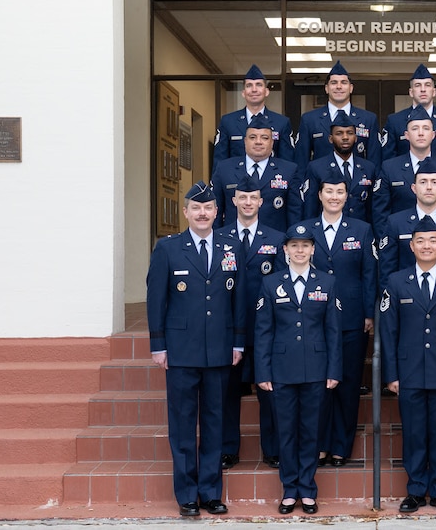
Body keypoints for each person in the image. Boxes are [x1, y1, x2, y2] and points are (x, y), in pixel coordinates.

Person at [146, 181, 245, 517]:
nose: (202, 214)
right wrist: (158, 346)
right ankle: (187, 495)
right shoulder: (168, 249)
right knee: (184, 425)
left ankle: (210, 492)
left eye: (208, 208)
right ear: (186, 212)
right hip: (180, 351)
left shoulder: (231, 248)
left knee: (215, 423)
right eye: (196, 208)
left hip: (219, 350)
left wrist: (237, 341)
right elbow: (156, 301)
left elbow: (239, 300)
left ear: (217, 212)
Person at [379, 216, 436, 514]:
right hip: (409, 373)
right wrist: (391, 374)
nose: (427, 246)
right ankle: (416, 490)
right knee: (414, 433)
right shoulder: (396, 281)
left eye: (433, 240)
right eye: (421, 241)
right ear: (411, 245)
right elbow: (388, 331)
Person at [254, 223, 343, 516]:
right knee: (286, 432)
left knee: (310, 431)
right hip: (281, 371)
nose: (300, 250)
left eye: (305, 245)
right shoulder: (271, 283)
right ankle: (289, 489)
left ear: (313, 249)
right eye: (294, 245)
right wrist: (263, 373)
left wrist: (334, 369)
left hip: (316, 370)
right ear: (285, 250)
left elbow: (333, 331)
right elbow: (263, 332)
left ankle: (307, 488)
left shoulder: (327, 283)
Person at [299, 170, 377, 467]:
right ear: (319, 195)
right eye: (328, 191)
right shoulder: (304, 230)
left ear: (347, 196)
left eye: (340, 192)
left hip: (351, 318)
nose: (334, 197)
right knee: (318, 384)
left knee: (347, 384)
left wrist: (369, 313)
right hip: (314, 319)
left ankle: (341, 446)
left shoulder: (362, 229)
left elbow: (369, 273)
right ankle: (319, 444)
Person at [217, 175, 287, 470]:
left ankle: (272, 448)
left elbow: (282, 283)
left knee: (269, 391)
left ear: (261, 202)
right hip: (228, 326)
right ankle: (227, 448)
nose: (247, 203)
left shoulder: (276, 238)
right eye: (242, 198)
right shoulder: (219, 237)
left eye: (253, 198)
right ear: (233, 201)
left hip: (265, 328)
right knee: (227, 391)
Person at [378, 156, 436, 294]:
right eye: (423, 182)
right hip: (406, 301)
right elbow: (387, 272)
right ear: (413, 188)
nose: (429, 187)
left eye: (434, 182)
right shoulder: (395, 223)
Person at [372, 106, 436, 239]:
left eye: (426, 128)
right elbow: (380, 214)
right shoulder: (390, 168)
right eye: (415, 129)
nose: (421, 133)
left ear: (433, 135)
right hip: (401, 243)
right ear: (406, 135)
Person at [211, 115, 302, 231]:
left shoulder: (288, 170)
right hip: (231, 242)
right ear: (245, 141)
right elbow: (215, 210)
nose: (258, 142)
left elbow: (295, 213)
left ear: (272, 142)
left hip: (274, 243)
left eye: (264, 138)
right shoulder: (224, 168)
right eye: (253, 137)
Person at [294, 61, 381, 168]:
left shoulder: (368, 119)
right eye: (334, 82)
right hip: (321, 182)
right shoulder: (310, 119)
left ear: (351, 88)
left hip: (357, 182)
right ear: (326, 88)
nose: (339, 87)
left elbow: (375, 160)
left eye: (344, 82)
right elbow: (301, 160)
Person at [299, 110, 377, 223]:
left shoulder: (368, 168)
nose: (345, 137)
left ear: (356, 138)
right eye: (339, 133)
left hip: (361, 233)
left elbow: (372, 208)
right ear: (330, 139)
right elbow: (310, 209)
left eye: (349, 133)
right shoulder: (316, 167)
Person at [380, 63, 436, 166]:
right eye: (418, 85)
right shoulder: (395, 121)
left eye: (427, 85)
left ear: (434, 92)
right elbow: (388, 162)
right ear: (411, 92)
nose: (423, 89)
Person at [213, 64, 295, 164]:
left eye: (259, 85)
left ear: (266, 91)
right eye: (249, 85)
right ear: (243, 93)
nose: (254, 90)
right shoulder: (228, 122)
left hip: (270, 178)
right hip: (236, 179)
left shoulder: (281, 122)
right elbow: (219, 160)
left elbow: (287, 162)